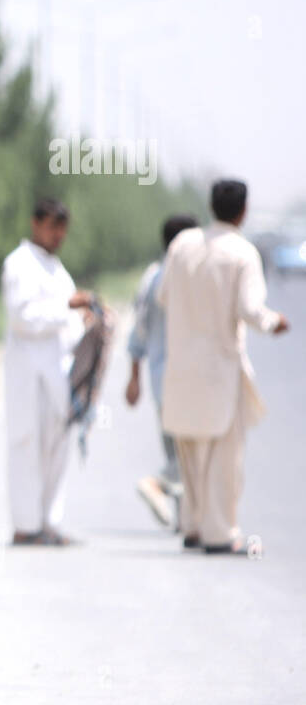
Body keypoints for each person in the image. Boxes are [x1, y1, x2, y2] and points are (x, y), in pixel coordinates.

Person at [158, 179, 289, 555]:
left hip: (181, 367)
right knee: (222, 455)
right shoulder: (242, 253)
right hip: (219, 369)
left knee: (190, 450)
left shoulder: (182, 245)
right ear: (243, 211)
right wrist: (273, 322)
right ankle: (219, 533)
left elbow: (165, 295)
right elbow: (251, 310)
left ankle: (193, 526)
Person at [2, 197, 94, 546]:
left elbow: (66, 324)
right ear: (36, 223)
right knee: (27, 448)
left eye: (62, 229)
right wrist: (67, 306)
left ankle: (49, 524)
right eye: (53, 227)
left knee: (57, 451)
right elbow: (22, 318)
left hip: (58, 375)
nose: (58, 236)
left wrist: (85, 320)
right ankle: (26, 526)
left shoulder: (56, 269)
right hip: (29, 377)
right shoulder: (19, 264)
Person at [125, 214, 198, 528]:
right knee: (189, 453)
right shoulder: (188, 277)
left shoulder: (151, 276)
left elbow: (138, 328)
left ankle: (186, 521)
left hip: (158, 379)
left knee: (174, 445)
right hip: (186, 380)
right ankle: (156, 483)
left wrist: (134, 377)